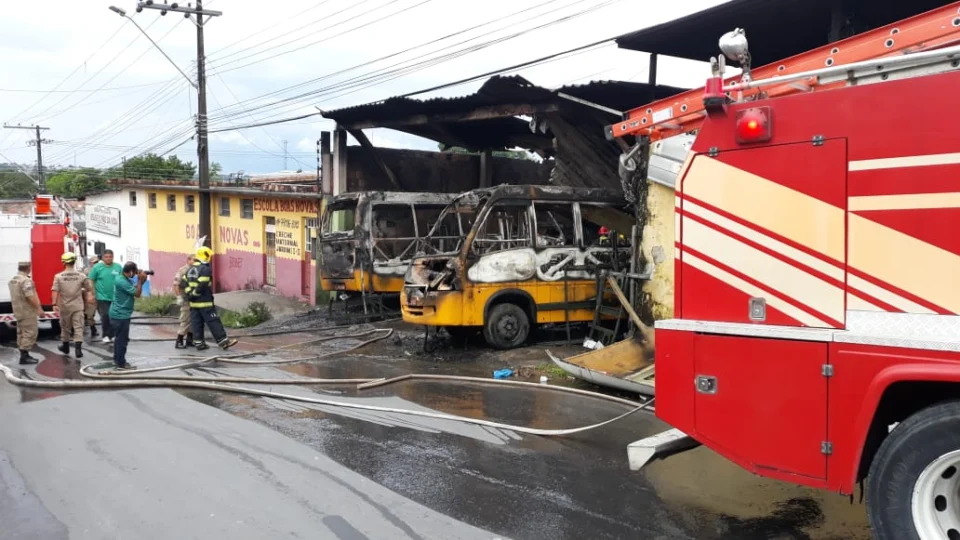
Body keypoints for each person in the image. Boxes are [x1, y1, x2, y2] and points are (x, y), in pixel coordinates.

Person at [183, 247, 237, 351]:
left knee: (196, 323)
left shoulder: (189, 270)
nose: (210, 258)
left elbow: (184, 283)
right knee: (213, 321)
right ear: (205, 255)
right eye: (209, 255)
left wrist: (190, 294)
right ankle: (223, 341)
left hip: (194, 304)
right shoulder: (205, 269)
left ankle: (199, 343)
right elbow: (203, 284)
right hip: (205, 302)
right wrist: (195, 293)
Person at [51, 253, 92, 359]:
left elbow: (55, 290)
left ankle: (65, 347)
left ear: (63, 262)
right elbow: (88, 287)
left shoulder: (58, 276)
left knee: (65, 328)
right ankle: (78, 350)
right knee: (78, 327)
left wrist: (54, 303)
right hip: (78, 306)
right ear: (74, 262)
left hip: (65, 306)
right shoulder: (81, 276)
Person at [110, 262, 147, 370]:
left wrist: (142, 280)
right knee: (122, 340)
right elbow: (137, 293)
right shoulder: (122, 281)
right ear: (130, 272)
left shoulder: (122, 278)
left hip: (119, 313)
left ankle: (117, 359)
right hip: (120, 315)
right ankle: (121, 363)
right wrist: (140, 280)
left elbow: (134, 289)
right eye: (134, 272)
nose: (135, 275)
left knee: (119, 339)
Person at [7, 261, 43, 364]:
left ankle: (24, 355)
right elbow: (30, 296)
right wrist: (38, 308)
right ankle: (24, 356)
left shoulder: (13, 280)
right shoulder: (26, 281)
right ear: (28, 268)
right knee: (30, 333)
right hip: (27, 311)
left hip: (18, 310)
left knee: (21, 333)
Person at [88, 250, 122, 344]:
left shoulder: (118, 267)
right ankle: (106, 335)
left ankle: (113, 334)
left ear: (113, 257)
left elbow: (123, 279)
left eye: (110, 257)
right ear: (103, 258)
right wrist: (91, 293)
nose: (108, 258)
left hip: (115, 296)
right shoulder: (97, 267)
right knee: (105, 315)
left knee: (114, 316)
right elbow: (91, 279)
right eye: (106, 257)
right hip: (102, 296)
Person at [172, 254, 196, 349]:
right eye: (194, 260)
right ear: (188, 260)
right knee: (185, 319)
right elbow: (176, 284)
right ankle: (179, 340)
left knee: (193, 319)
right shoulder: (182, 271)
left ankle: (190, 340)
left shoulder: (195, 270)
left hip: (193, 298)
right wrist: (179, 297)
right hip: (185, 298)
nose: (195, 262)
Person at [84, 255, 100, 338]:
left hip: (101, 295)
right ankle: (93, 329)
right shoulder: (86, 272)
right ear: (90, 263)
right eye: (94, 262)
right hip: (91, 295)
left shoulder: (101, 269)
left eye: (97, 262)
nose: (96, 264)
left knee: (106, 315)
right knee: (90, 315)